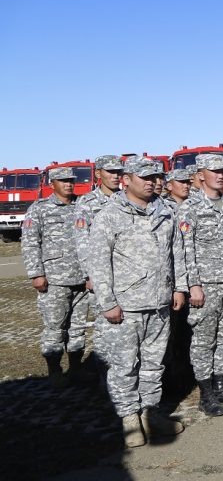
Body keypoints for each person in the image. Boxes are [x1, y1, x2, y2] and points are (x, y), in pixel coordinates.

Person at [87, 157, 187, 447]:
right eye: (143, 177)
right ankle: (130, 419)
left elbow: (176, 253)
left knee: (154, 364)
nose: (150, 181)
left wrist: (179, 288)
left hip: (159, 302)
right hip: (126, 304)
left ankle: (150, 414)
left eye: (154, 176)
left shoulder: (166, 212)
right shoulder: (110, 214)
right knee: (124, 365)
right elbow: (99, 263)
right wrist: (107, 302)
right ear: (126, 180)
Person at [177, 153, 223, 416]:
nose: (221, 175)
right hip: (206, 285)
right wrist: (193, 285)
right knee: (203, 340)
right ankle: (206, 394)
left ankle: (221, 386)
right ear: (200, 175)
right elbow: (185, 250)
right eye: (215, 171)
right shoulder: (190, 208)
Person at [22, 167, 89, 387]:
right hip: (54, 280)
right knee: (55, 326)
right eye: (63, 181)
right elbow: (31, 243)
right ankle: (54, 371)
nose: (69, 184)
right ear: (52, 184)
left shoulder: (82, 205)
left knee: (78, 327)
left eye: (71, 180)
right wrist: (36, 273)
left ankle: (76, 368)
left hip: (81, 278)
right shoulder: (40, 209)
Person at [73, 154, 124, 371]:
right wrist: (90, 274)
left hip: (126, 274)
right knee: (104, 328)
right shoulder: (88, 203)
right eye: (110, 172)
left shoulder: (126, 198)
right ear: (98, 174)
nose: (115, 176)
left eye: (118, 172)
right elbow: (82, 240)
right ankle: (104, 376)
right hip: (102, 276)